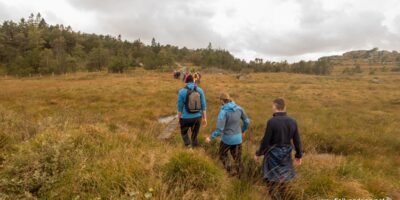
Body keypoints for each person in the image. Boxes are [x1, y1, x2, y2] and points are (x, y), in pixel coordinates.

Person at [254, 98, 302, 200]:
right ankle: (284, 196)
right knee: (284, 178)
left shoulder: (272, 121)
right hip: (286, 155)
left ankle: (275, 197)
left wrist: (258, 153)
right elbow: (297, 140)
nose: (272, 108)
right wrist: (299, 155)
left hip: (272, 155)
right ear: (285, 108)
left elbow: (266, 141)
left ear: (275, 107)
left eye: (272, 106)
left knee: (270, 178)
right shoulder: (293, 121)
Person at [206, 93, 250, 177]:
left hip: (227, 140)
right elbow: (247, 121)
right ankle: (242, 178)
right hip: (238, 139)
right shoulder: (239, 108)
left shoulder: (223, 112)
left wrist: (210, 138)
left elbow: (219, 130)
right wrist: (243, 131)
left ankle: (230, 171)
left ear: (222, 101)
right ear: (229, 99)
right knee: (238, 158)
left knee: (222, 154)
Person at [177, 74, 207, 147]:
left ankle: (188, 146)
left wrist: (179, 119)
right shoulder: (200, 90)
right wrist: (204, 118)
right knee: (194, 135)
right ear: (193, 81)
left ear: (186, 81)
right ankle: (195, 147)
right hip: (198, 118)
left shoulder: (181, 91)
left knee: (184, 133)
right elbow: (203, 106)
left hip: (185, 118)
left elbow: (179, 108)